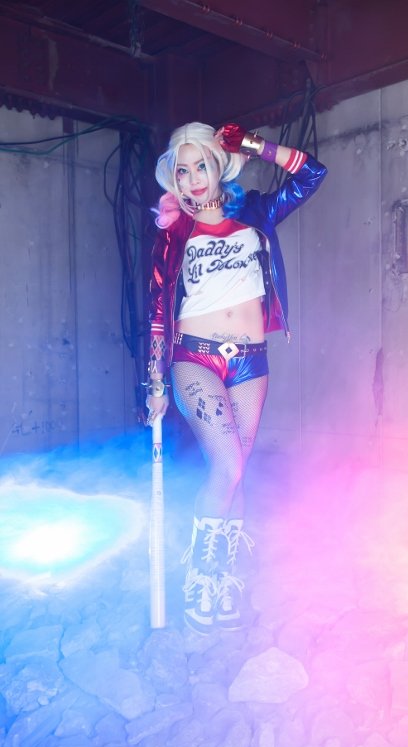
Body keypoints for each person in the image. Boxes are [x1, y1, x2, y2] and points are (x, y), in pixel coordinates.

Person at [146, 121, 327, 633]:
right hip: (195, 357)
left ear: (218, 164)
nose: (192, 178)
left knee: (235, 471)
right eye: (182, 170)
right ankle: (200, 577)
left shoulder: (256, 212)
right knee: (227, 465)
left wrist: (253, 145)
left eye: (200, 165)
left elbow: (312, 174)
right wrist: (156, 382)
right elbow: (158, 311)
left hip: (250, 360)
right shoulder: (173, 233)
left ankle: (222, 580)